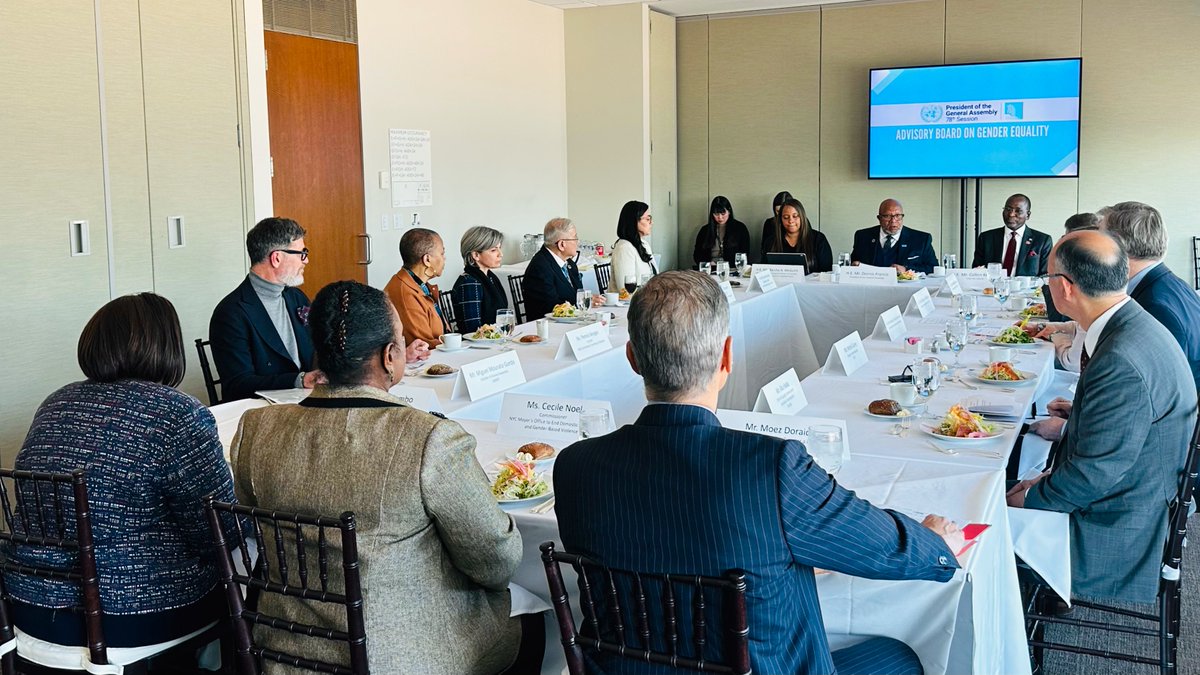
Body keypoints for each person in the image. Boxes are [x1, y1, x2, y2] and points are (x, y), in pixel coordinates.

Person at [554, 270, 963, 675]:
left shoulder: (573, 467)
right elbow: (883, 548)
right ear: (727, 356)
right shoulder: (770, 467)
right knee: (903, 657)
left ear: (632, 358)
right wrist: (936, 544)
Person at [230, 281, 538, 674]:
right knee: (531, 624)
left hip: (285, 651)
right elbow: (495, 559)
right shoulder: (429, 439)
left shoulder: (256, 430)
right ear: (391, 356)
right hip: (396, 656)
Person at [8, 293, 241, 659]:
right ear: (168, 346)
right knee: (249, 568)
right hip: (131, 615)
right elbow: (220, 534)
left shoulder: (55, 402)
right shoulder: (176, 413)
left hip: (27, 607)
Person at [1007, 230, 1196, 604]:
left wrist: (1028, 498)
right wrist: (1082, 415)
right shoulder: (1134, 323)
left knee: (976, 529)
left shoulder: (1121, 360)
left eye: (1048, 278)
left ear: (1064, 288)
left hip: (1117, 530)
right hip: (1135, 494)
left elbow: (1092, 476)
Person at [209, 217, 321, 402]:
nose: (306, 260)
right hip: (262, 412)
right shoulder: (230, 313)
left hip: (307, 402)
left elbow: (317, 347)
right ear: (276, 258)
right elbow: (238, 384)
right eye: (302, 253)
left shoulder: (296, 297)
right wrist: (299, 380)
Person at [1100, 201, 1200, 391]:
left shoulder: (1155, 307)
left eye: (1098, 239)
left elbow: (1154, 390)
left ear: (1117, 244)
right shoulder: (1170, 285)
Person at [385, 227, 448, 347]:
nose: (444, 258)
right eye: (442, 253)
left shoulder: (419, 285)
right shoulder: (405, 294)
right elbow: (422, 345)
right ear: (427, 259)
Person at [970, 194, 1053, 276]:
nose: (1011, 214)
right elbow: (977, 272)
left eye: (1018, 211)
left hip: (1027, 289)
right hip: (992, 288)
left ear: (1028, 215)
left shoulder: (1042, 240)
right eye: (1008, 209)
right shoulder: (986, 238)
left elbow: (1045, 277)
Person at [849, 199, 939, 273]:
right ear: (879, 218)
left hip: (906, 290)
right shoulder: (863, 237)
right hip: (870, 288)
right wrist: (855, 265)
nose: (893, 221)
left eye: (898, 216)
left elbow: (934, 268)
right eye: (887, 216)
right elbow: (853, 264)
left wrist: (906, 269)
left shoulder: (921, 239)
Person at [522, 217, 583, 320]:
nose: (578, 242)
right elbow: (552, 306)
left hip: (571, 321)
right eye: (575, 238)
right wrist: (582, 302)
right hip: (549, 326)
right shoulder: (540, 267)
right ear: (561, 244)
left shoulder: (569, 263)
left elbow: (578, 293)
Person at [452, 226, 510, 333]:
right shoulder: (469, 282)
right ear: (476, 255)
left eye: (499, 248)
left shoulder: (490, 277)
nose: (500, 254)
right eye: (493, 250)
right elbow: (473, 331)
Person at [764, 197, 833, 273]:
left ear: (802, 217)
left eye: (795, 216)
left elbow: (827, 272)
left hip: (812, 284)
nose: (791, 221)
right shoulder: (771, 242)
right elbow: (764, 271)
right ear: (780, 220)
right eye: (786, 217)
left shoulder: (818, 239)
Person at [609, 200, 658, 292]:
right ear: (634, 221)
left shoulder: (644, 244)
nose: (651, 223)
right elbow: (625, 290)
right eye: (647, 219)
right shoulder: (624, 248)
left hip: (646, 299)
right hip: (629, 304)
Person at [693, 195, 750, 266]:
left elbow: (744, 253)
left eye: (723, 214)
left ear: (729, 212)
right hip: (709, 269)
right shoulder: (705, 230)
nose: (720, 217)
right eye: (716, 214)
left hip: (732, 269)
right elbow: (697, 254)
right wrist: (707, 264)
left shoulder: (740, 228)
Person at [759, 190, 792, 257]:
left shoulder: (799, 222)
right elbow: (764, 248)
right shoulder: (769, 223)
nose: (781, 215)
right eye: (778, 211)